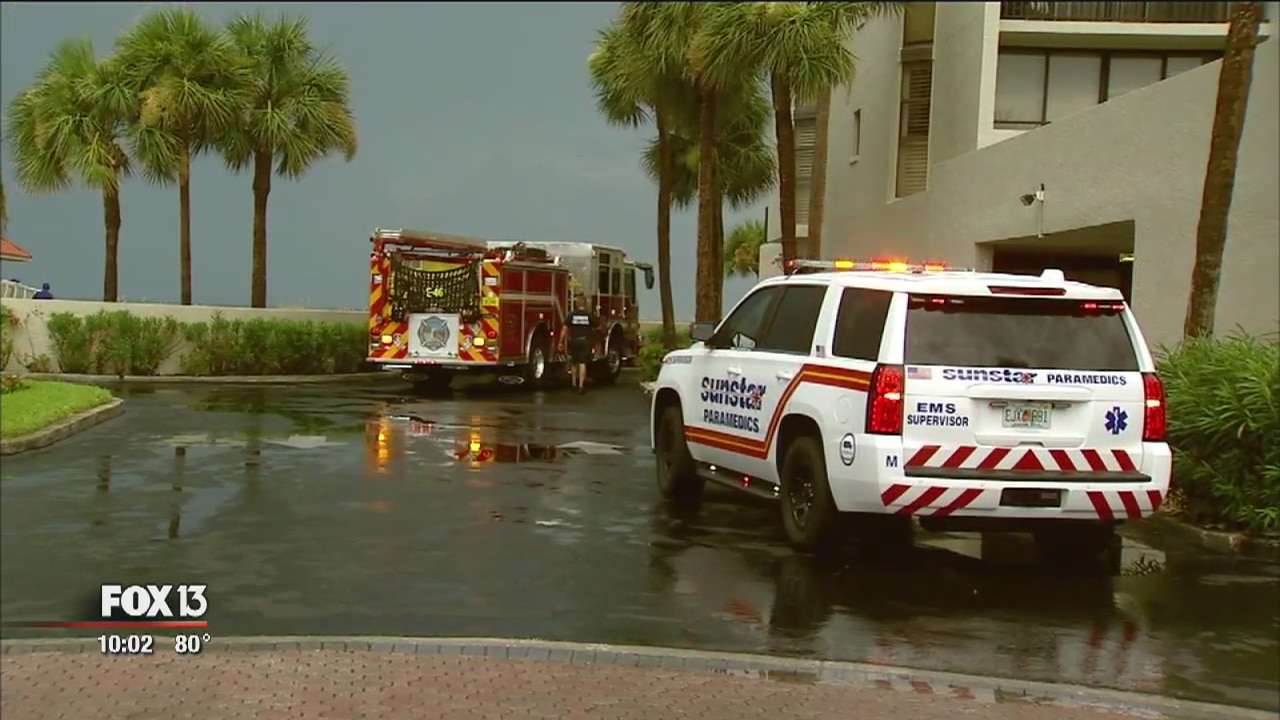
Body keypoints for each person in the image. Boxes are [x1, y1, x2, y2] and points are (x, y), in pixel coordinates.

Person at [564, 297, 595, 394]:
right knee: (582, 363)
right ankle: (581, 386)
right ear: (584, 304)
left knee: (573, 363)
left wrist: (561, 342)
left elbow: (565, 328)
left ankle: (573, 384)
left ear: (576, 304)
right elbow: (595, 326)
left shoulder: (571, 315)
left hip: (574, 341)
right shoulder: (589, 315)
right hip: (585, 341)